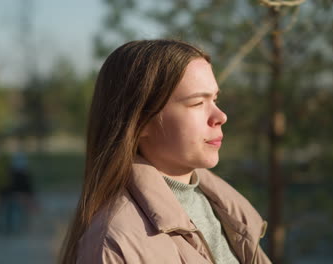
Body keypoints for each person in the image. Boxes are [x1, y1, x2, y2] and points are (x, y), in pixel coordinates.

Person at [59, 39, 271, 263]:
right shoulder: (115, 245)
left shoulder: (227, 208)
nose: (220, 117)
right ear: (141, 120)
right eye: (198, 103)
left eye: (215, 99)